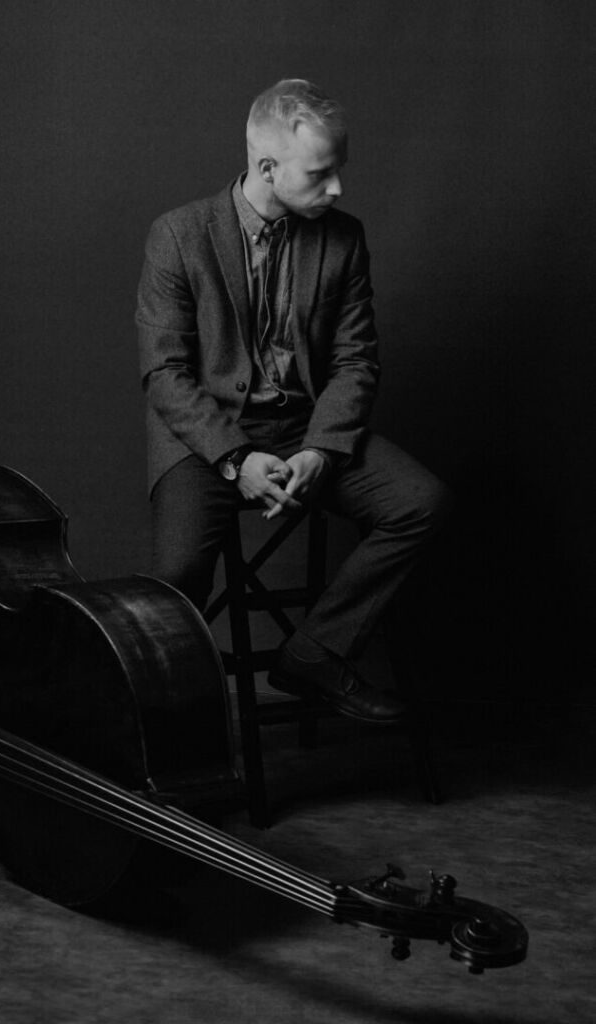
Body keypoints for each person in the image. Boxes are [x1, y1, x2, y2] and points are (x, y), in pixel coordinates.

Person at [136, 79, 452, 724]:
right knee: (179, 571)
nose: (336, 188)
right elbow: (164, 374)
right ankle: (171, 730)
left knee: (421, 503)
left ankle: (314, 653)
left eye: (339, 170)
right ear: (267, 168)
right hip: (206, 436)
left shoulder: (344, 238)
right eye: (319, 173)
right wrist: (235, 458)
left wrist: (322, 450)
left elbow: (355, 361)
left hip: (306, 427)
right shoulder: (178, 234)